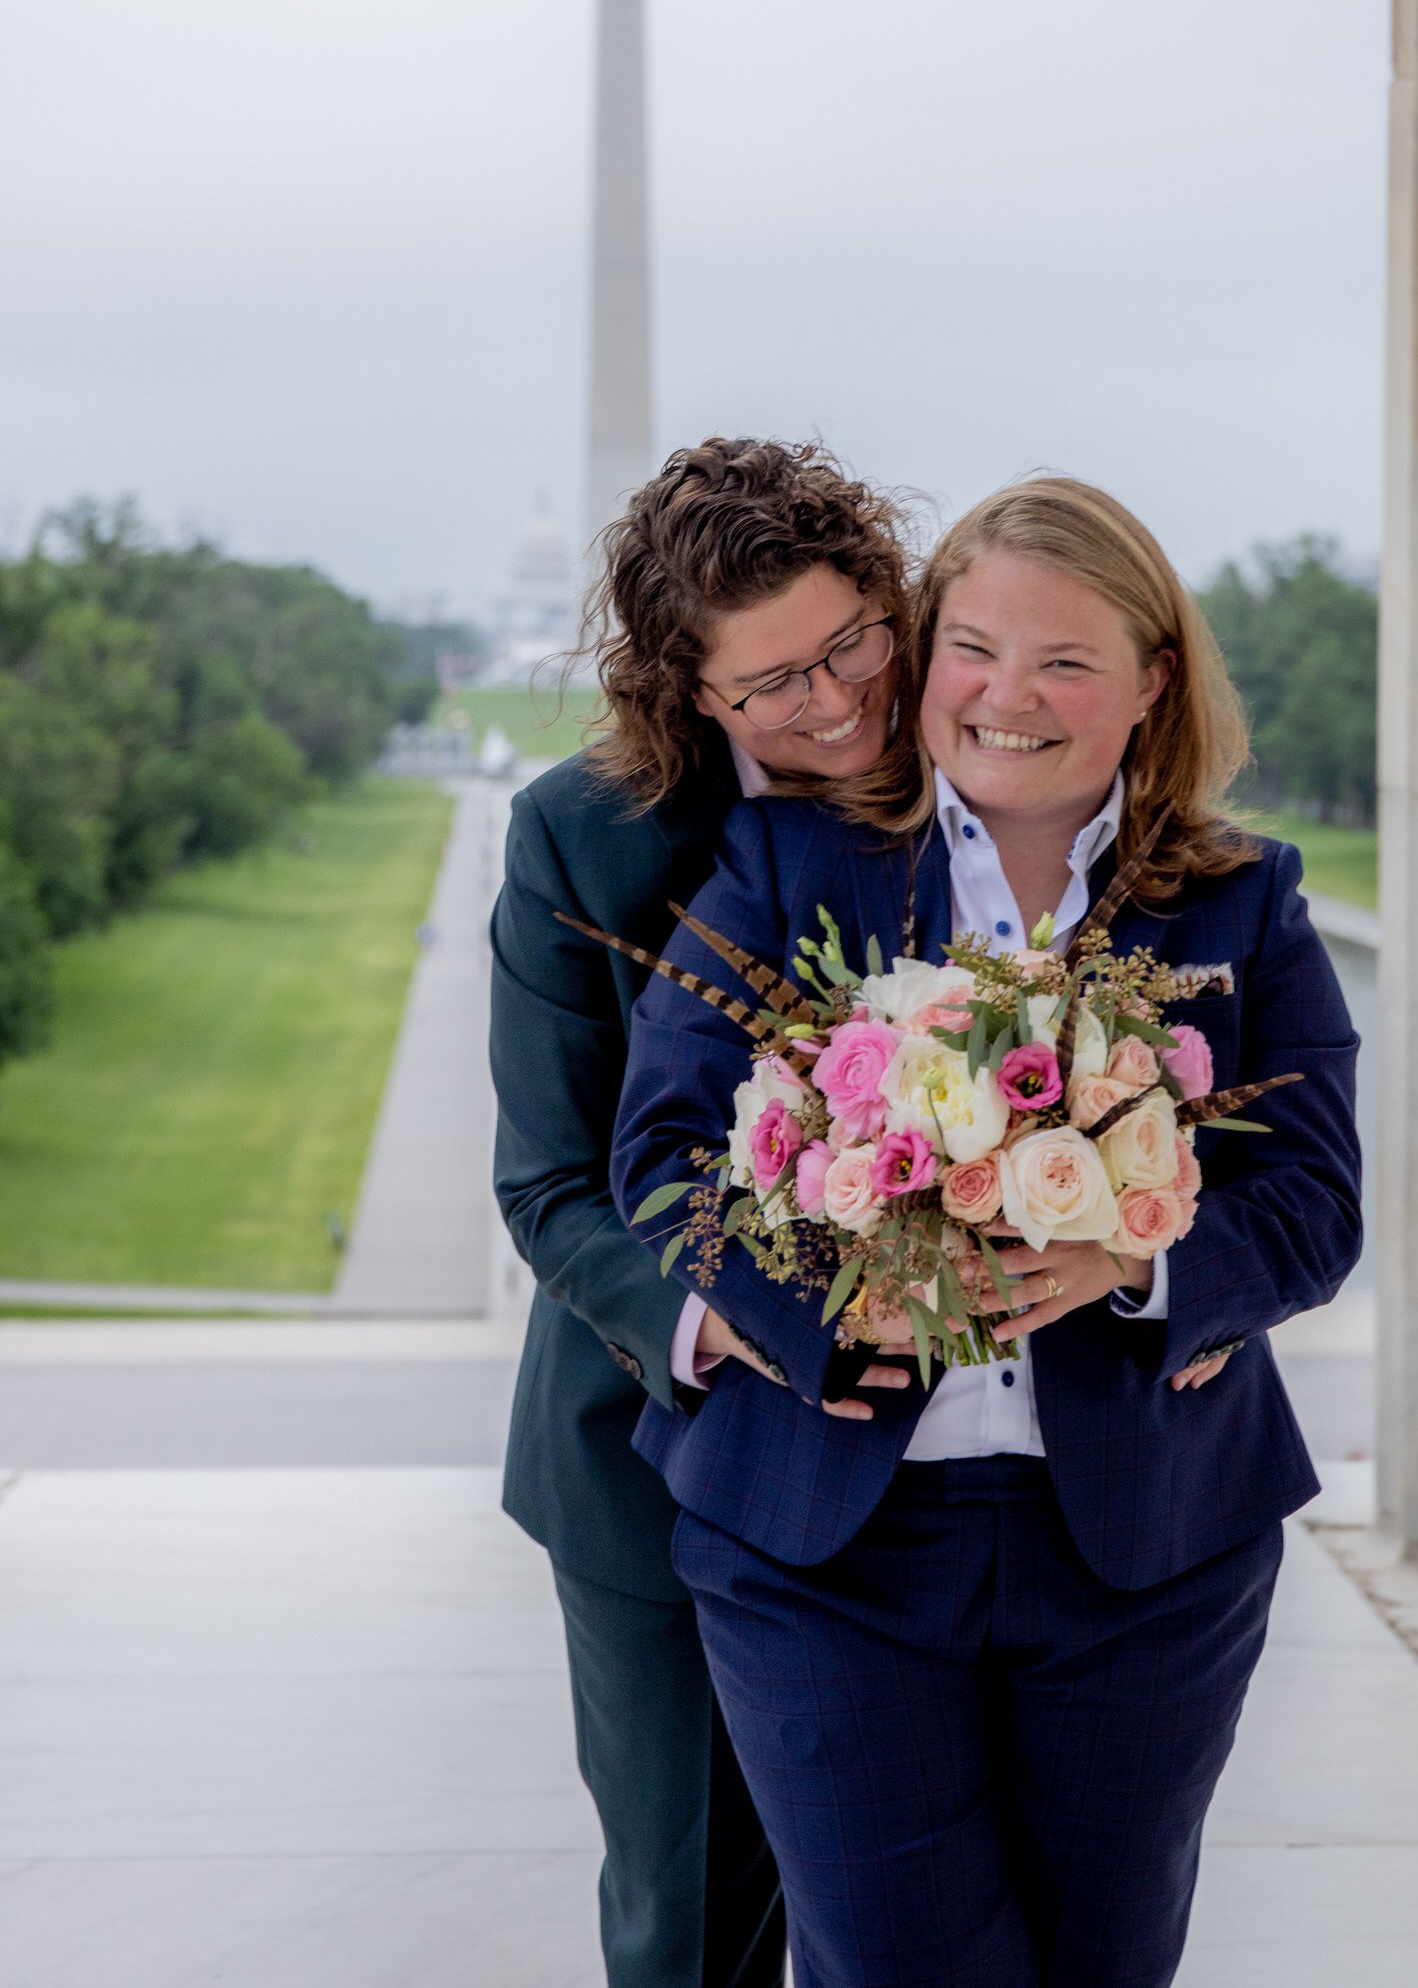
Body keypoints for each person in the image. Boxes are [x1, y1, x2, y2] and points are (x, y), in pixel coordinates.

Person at [611, 475, 1361, 1988]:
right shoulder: (785, 864)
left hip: (1151, 1555)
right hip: (826, 1549)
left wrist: (1135, 1260)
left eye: (1065, 661)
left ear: (1153, 681)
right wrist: (839, 1302)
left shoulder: (1243, 900)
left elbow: (1315, 1200)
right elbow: (665, 1157)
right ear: (923, 654)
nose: (1006, 696)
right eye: (972, 648)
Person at [492, 436, 916, 1988]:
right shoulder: (579, 834)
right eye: (772, 683)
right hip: (650, 1454)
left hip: (947, 1472)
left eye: (849, 643)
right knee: (693, 1927)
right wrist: (724, 1320)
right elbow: (547, 1184)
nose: (835, 703)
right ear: (688, 691)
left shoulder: (980, 762)